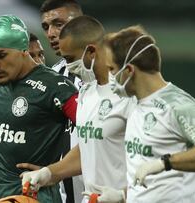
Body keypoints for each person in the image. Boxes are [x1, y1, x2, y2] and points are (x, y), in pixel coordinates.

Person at [89, 25, 195, 203]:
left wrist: (165, 162)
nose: (110, 77)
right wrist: (122, 195)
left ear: (129, 70)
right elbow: (151, 177)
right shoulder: (134, 104)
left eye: (112, 69)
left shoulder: (176, 104)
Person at [21, 15, 135, 203]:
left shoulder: (128, 96)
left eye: (70, 59)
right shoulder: (85, 94)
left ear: (91, 51)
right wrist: (49, 173)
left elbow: (156, 162)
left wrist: (123, 196)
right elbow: (89, 147)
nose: (68, 67)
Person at [0, 14, 78, 203]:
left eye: (1, 55)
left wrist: (52, 172)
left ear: (23, 50)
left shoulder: (56, 87)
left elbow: (96, 138)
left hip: (31, 195)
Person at [0, 33, 47, 190]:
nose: (39, 62)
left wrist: (53, 171)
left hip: (34, 188)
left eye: (41, 55)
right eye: (32, 55)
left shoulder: (51, 91)